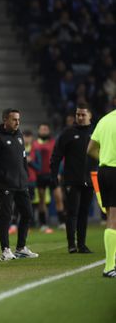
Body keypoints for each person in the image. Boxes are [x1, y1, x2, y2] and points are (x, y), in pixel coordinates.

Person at [0, 109, 38, 261]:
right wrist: (4, 176)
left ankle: (21, 248)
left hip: (21, 183)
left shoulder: (19, 135)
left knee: (28, 214)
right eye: (14, 119)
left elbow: (23, 158)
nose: (17, 122)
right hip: (5, 185)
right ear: (5, 120)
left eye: (18, 119)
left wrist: (25, 175)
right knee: (6, 216)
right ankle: (5, 250)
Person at [51, 103, 96, 254]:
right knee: (72, 212)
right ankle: (71, 244)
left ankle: (82, 244)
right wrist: (54, 174)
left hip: (90, 179)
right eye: (78, 114)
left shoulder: (96, 132)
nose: (80, 117)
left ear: (90, 116)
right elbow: (57, 155)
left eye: (83, 114)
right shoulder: (68, 133)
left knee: (84, 213)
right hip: (71, 179)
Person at [87, 108, 116, 278]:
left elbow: (90, 149)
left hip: (104, 171)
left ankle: (112, 261)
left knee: (111, 218)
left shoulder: (104, 120)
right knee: (113, 219)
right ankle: (109, 267)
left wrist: (105, 157)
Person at [30, 123, 57, 233]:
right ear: (39, 131)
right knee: (41, 200)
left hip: (53, 174)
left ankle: (62, 222)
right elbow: (32, 159)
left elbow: (59, 157)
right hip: (41, 175)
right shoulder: (35, 144)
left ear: (49, 131)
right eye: (42, 129)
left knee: (59, 197)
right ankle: (43, 224)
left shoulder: (53, 143)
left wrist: (58, 172)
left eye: (46, 129)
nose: (44, 131)